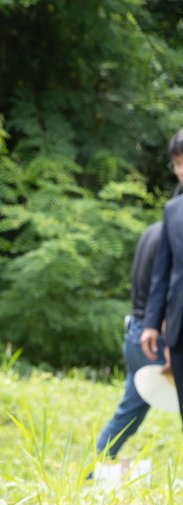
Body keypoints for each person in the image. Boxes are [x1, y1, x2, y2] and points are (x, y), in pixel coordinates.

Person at [94, 221, 165, 457]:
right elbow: (167, 292)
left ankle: (91, 472)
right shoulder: (172, 236)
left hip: (137, 333)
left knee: (128, 415)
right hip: (160, 338)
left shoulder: (152, 231)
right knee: (129, 414)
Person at [138, 128, 183, 417]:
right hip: (180, 331)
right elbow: (162, 275)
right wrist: (152, 324)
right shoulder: (173, 211)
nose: (181, 170)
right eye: (177, 163)